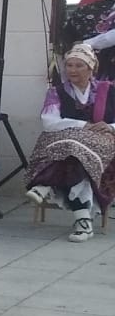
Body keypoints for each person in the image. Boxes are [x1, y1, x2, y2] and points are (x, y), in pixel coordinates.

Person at [25, 45, 114, 241]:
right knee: (74, 152)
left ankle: (46, 184)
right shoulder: (56, 92)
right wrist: (83, 125)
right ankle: (83, 222)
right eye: (69, 65)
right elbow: (49, 122)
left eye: (79, 66)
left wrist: (110, 127)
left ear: (91, 68)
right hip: (61, 140)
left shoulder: (108, 90)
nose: (72, 70)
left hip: (101, 144)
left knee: (75, 150)